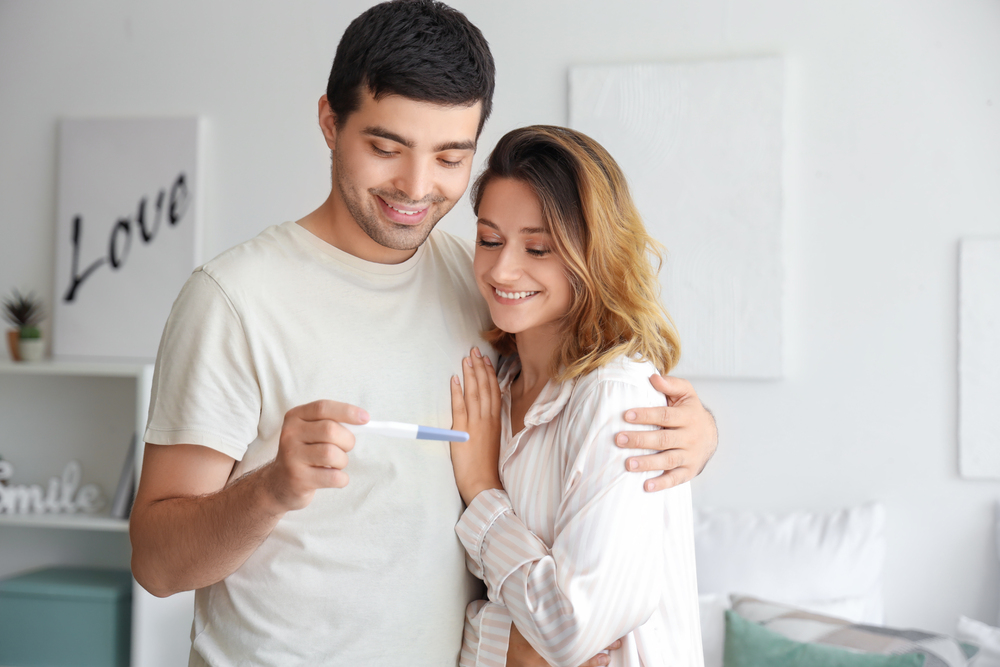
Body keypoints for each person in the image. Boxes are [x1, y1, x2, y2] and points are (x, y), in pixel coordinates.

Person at [129, 2, 717, 665]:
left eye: (449, 156)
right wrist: (271, 490)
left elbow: (588, 390)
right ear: (330, 122)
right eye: (385, 147)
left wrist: (695, 433)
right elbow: (156, 563)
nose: (415, 186)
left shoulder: (484, 287)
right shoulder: (232, 301)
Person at [448, 126, 703, 667]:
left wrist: (483, 490)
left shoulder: (616, 399)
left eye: (538, 248)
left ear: (594, 254)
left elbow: (569, 632)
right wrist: (512, 646)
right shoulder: (495, 383)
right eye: (489, 239)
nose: (501, 269)